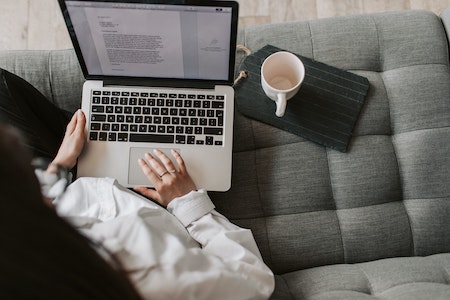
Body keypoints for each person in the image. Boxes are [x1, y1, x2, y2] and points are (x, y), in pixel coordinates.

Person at [0, 68, 275, 299]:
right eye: (34, 176)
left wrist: (58, 167)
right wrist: (189, 203)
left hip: (73, 184)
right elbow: (256, 283)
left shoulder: (21, 251)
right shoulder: (155, 272)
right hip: (148, 201)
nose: (40, 175)